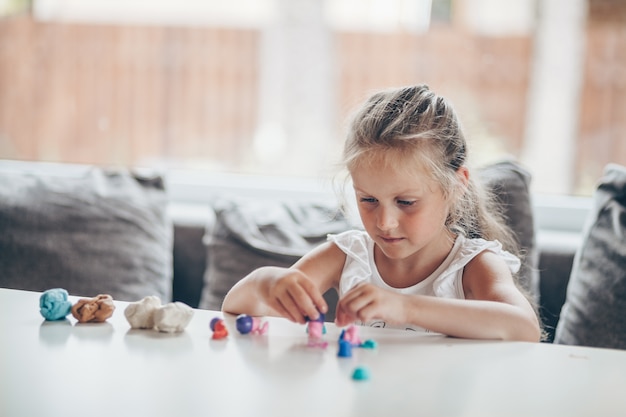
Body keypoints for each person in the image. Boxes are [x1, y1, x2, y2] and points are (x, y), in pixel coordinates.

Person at [222, 85, 542, 342]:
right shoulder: (349, 255)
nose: (385, 222)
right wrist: (265, 282)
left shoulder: (473, 265)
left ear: (456, 186)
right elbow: (236, 308)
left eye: (406, 202)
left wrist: (406, 308)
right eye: (369, 200)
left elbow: (523, 328)